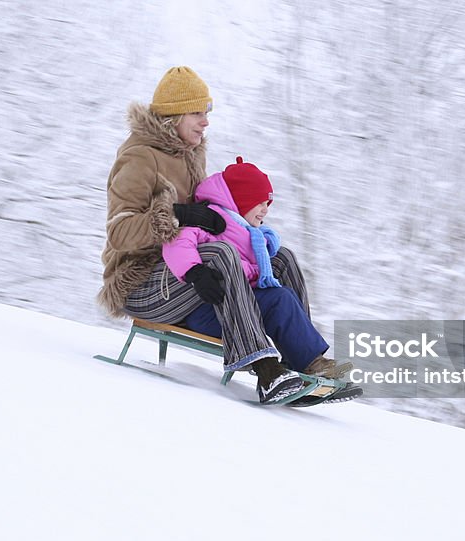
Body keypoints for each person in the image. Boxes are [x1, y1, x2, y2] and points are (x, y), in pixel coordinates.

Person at [98, 66, 334, 404]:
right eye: (197, 112)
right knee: (219, 255)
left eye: (206, 111)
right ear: (173, 114)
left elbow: (204, 229)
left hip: (185, 281)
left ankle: (305, 362)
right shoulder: (139, 157)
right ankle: (265, 371)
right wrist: (178, 214)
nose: (206, 120)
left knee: (278, 257)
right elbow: (119, 232)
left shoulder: (190, 155)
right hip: (141, 284)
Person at [161, 156, 351, 381]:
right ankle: (277, 370)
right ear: (240, 200)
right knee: (278, 297)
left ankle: (309, 363)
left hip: (238, 306)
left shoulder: (249, 232)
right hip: (208, 311)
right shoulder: (212, 219)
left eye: (267, 204)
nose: (265, 210)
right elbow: (177, 242)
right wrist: (195, 271)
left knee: (282, 296)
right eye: (260, 203)